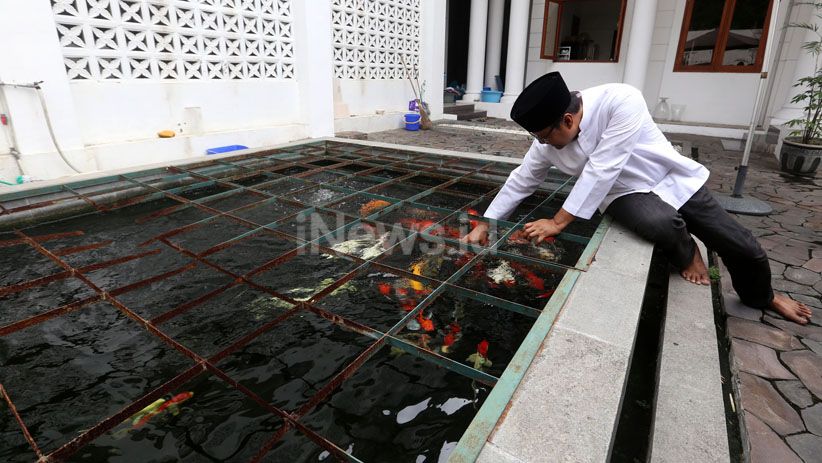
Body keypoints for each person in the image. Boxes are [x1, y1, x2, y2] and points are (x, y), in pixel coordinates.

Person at [462, 72, 813, 325]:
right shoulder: (545, 141)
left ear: (567, 120)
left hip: (666, 176)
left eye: (544, 137)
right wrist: (487, 223)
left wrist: (557, 222)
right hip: (621, 192)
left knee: (743, 246)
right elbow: (522, 179)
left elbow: (603, 165)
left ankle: (763, 297)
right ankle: (687, 251)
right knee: (661, 222)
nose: (541, 144)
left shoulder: (620, 99)